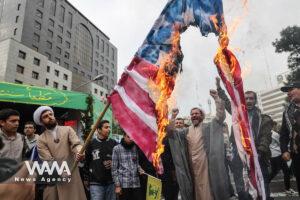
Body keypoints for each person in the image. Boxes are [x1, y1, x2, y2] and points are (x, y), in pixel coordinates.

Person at [216, 77, 273, 200]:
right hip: (240, 158)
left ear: (255, 101)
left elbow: (265, 137)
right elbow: (227, 101)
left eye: (251, 98)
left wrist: (258, 152)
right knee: (242, 187)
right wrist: (220, 88)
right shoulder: (238, 115)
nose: (248, 101)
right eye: (246, 98)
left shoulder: (264, 119)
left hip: (258, 158)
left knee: (261, 186)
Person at [170, 89, 230, 200]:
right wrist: (173, 117)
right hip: (191, 167)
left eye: (196, 113)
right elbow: (172, 133)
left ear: (201, 115)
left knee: (209, 190)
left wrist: (216, 98)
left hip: (206, 165)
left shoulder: (208, 127)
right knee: (196, 191)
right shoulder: (186, 131)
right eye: (192, 114)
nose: (194, 116)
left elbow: (220, 117)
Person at [33, 106, 86, 200]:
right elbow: (48, 159)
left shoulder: (68, 129)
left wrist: (79, 152)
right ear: (41, 122)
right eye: (45, 116)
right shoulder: (41, 139)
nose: (50, 117)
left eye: (51, 114)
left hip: (72, 172)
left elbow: (76, 144)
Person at [84, 120, 118, 200]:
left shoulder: (114, 143)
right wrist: (86, 178)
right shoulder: (91, 144)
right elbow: (87, 162)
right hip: (95, 184)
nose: (109, 129)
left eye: (109, 127)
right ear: (99, 129)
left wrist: (113, 162)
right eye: (106, 127)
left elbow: (120, 160)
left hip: (111, 183)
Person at [280, 81, 300, 197]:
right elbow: (283, 134)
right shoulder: (287, 113)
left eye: (290, 89)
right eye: (287, 91)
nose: (288, 93)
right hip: (297, 155)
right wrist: (284, 150)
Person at [112, 132, 144, 200]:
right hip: (124, 185)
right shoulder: (116, 148)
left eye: (132, 137)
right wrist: (117, 186)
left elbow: (136, 164)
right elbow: (114, 169)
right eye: (128, 136)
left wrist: (140, 169)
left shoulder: (135, 147)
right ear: (124, 136)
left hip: (136, 183)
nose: (130, 139)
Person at [269, 121, 295, 195]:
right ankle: (287, 188)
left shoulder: (266, 133)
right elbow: (281, 143)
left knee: (274, 171)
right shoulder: (275, 134)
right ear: (273, 125)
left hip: (272, 155)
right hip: (278, 154)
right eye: (275, 126)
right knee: (286, 171)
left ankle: (265, 182)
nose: (276, 127)